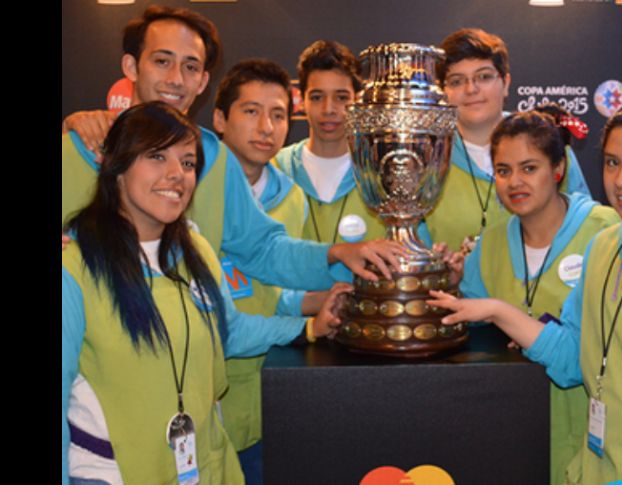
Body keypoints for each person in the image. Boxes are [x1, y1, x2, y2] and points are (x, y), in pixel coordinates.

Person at [62, 102, 351, 485]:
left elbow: (228, 331)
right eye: (156, 156)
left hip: (205, 469)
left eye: (187, 163)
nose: (176, 175)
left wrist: (308, 328)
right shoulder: (75, 267)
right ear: (116, 169)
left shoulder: (195, 249)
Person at [429, 96, 622, 483]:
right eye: (612, 162)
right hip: (593, 469)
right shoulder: (607, 245)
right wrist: (497, 311)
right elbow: (572, 359)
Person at [61, 5, 406, 292]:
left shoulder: (213, 159)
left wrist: (337, 254)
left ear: (202, 82)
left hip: (190, 363)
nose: (176, 79)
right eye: (162, 61)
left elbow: (263, 250)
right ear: (132, 67)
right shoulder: (81, 146)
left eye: (191, 67)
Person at [452, 109, 619, 485]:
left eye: (529, 168)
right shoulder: (490, 244)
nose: (515, 182)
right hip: (513, 432)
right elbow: (477, 326)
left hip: (596, 435)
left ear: (558, 169)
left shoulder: (607, 231)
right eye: (503, 170)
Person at [211, 58, 323, 484]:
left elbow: (277, 291)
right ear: (220, 119)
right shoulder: (182, 184)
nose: (266, 127)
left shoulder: (292, 198)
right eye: (251, 111)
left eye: (278, 114)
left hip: (268, 392)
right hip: (207, 393)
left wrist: (319, 303)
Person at [424, 28, 590, 253]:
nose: (471, 89)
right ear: (443, 92)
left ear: (506, 82)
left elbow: (585, 230)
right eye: (456, 81)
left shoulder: (548, 141)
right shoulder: (426, 157)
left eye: (484, 76)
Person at [273, 40, 388, 245]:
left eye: (341, 98)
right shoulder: (276, 168)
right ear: (302, 100)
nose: (328, 109)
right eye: (317, 97)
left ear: (357, 101)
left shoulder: (381, 172)